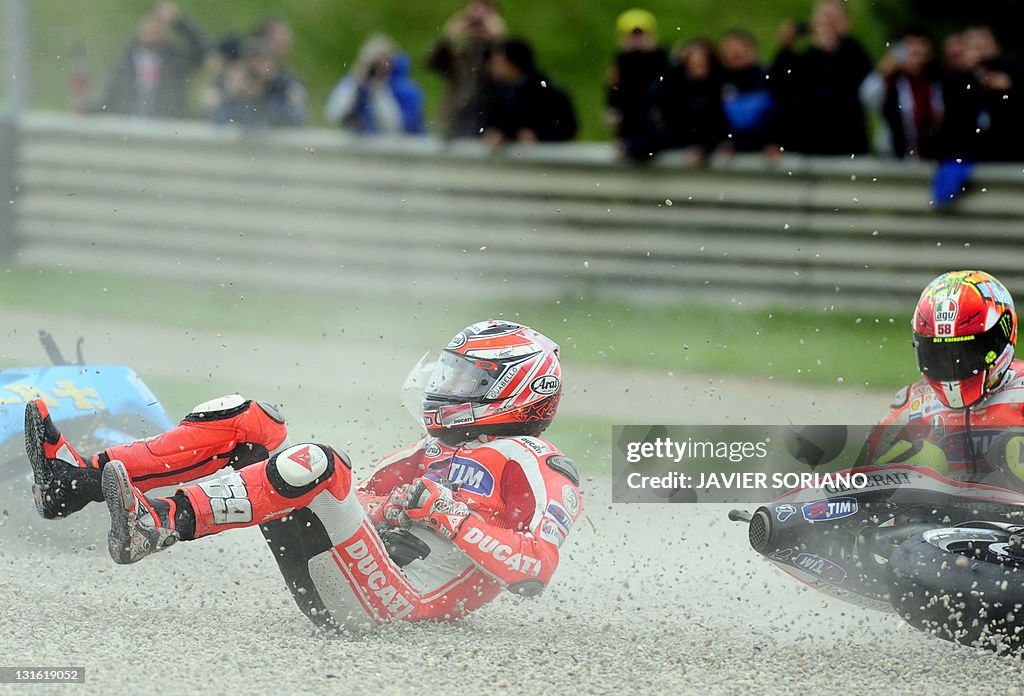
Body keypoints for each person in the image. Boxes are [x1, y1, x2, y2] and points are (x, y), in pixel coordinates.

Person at [25, 320, 582, 630]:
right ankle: (72, 483)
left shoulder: (541, 464)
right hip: (361, 571)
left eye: (466, 379)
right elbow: (362, 501)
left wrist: (451, 516)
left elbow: (535, 570)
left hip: (399, 604)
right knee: (249, 419)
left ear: (516, 389)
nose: (447, 388)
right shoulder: (429, 450)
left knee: (321, 462)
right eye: (451, 373)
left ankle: (160, 523)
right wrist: (394, 506)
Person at [867, 270, 1024, 487]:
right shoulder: (913, 405)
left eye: (967, 350)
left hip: (1013, 518)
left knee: (1011, 449)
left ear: (1002, 337)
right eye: (938, 353)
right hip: (931, 519)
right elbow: (862, 484)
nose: (953, 365)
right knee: (924, 457)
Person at [770, 0, 872, 155]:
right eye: (822, 19)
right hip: (809, 147)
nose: (826, 25)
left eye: (832, 19)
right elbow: (782, 89)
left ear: (845, 22)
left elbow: (860, 89)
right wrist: (785, 48)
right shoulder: (807, 56)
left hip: (848, 145)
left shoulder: (854, 51)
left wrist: (832, 53)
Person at [98, 1, 206, 119]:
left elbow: (202, 51)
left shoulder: (176, 61)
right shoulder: (125, 60)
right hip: (128, 127)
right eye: (149, 22)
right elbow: (111, 97)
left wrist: (180, 21)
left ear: (167, 30)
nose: (153, 28)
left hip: (164, 128)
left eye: (159, 23)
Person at [859, 28, 944, 159]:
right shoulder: (892, 82)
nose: (916, 51)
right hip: (894, 159)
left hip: (930, 160)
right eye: (910, 45)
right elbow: (866, 96)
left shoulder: (936, 81)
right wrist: (886, 67)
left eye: (921, 45)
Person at [426, 1, 507, 139]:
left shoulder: (498, 53)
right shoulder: (461, 54)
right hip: (453, 125)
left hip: (485, 127)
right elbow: (432, 63)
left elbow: (506, 73)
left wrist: (498, 38)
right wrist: (449, 36)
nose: (477, 24)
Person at [324, 35, 425, 135]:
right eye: (375, 62)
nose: (380, 67)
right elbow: (333, 115)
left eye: (385, 61)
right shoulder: (355, 83)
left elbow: (396, 128)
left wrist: (379, 92)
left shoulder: (406, 90)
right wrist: (354, 84)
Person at [483, 38, 578, 146]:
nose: (491, 66)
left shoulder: (548, 92)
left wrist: (539, 135)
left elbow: (568, 128)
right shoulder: (500, 92)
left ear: (512, 63)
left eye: (497, 62)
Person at [651, 38, 730, 166]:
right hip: (679, 141)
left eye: (702, 62)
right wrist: (674, 64)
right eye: (692, 62)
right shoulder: (678, 84)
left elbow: (719, 124)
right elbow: (653, 94)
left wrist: (705, 149)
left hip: (708, 143)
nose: (697, 67)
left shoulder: (718, 86)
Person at [605, 8, 669, 161]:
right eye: (632, 35)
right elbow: (615, 95)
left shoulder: (664, 61)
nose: (637, 40)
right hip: (630, 132)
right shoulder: (620, 62)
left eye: (641, 35)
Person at [210, 36, 307, 127]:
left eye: (267, 63)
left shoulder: (282, 88)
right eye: (253, 72)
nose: (261, 70)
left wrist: (292, 102)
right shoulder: (234, 90)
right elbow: (218, 121)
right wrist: (231, 94)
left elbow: (294, 120)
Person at [717, 29, 779, 155]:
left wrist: (775, 142)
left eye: (739, 50)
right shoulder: (721, 81)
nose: (734, 54)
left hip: (767, 149)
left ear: (753, 50)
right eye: (729, 51)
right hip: (733, 150)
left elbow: (781, 112)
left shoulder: (768, 78)